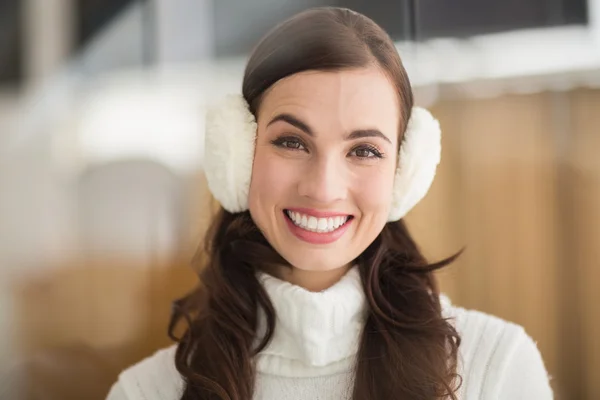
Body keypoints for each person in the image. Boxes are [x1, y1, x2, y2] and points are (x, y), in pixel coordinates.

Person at [106, 7, 553, 400]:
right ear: (239, 154)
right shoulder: (148, 392)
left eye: (364, 150)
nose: (322, 188)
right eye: (291, 142)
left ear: (404, 172)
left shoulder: (496, 367)